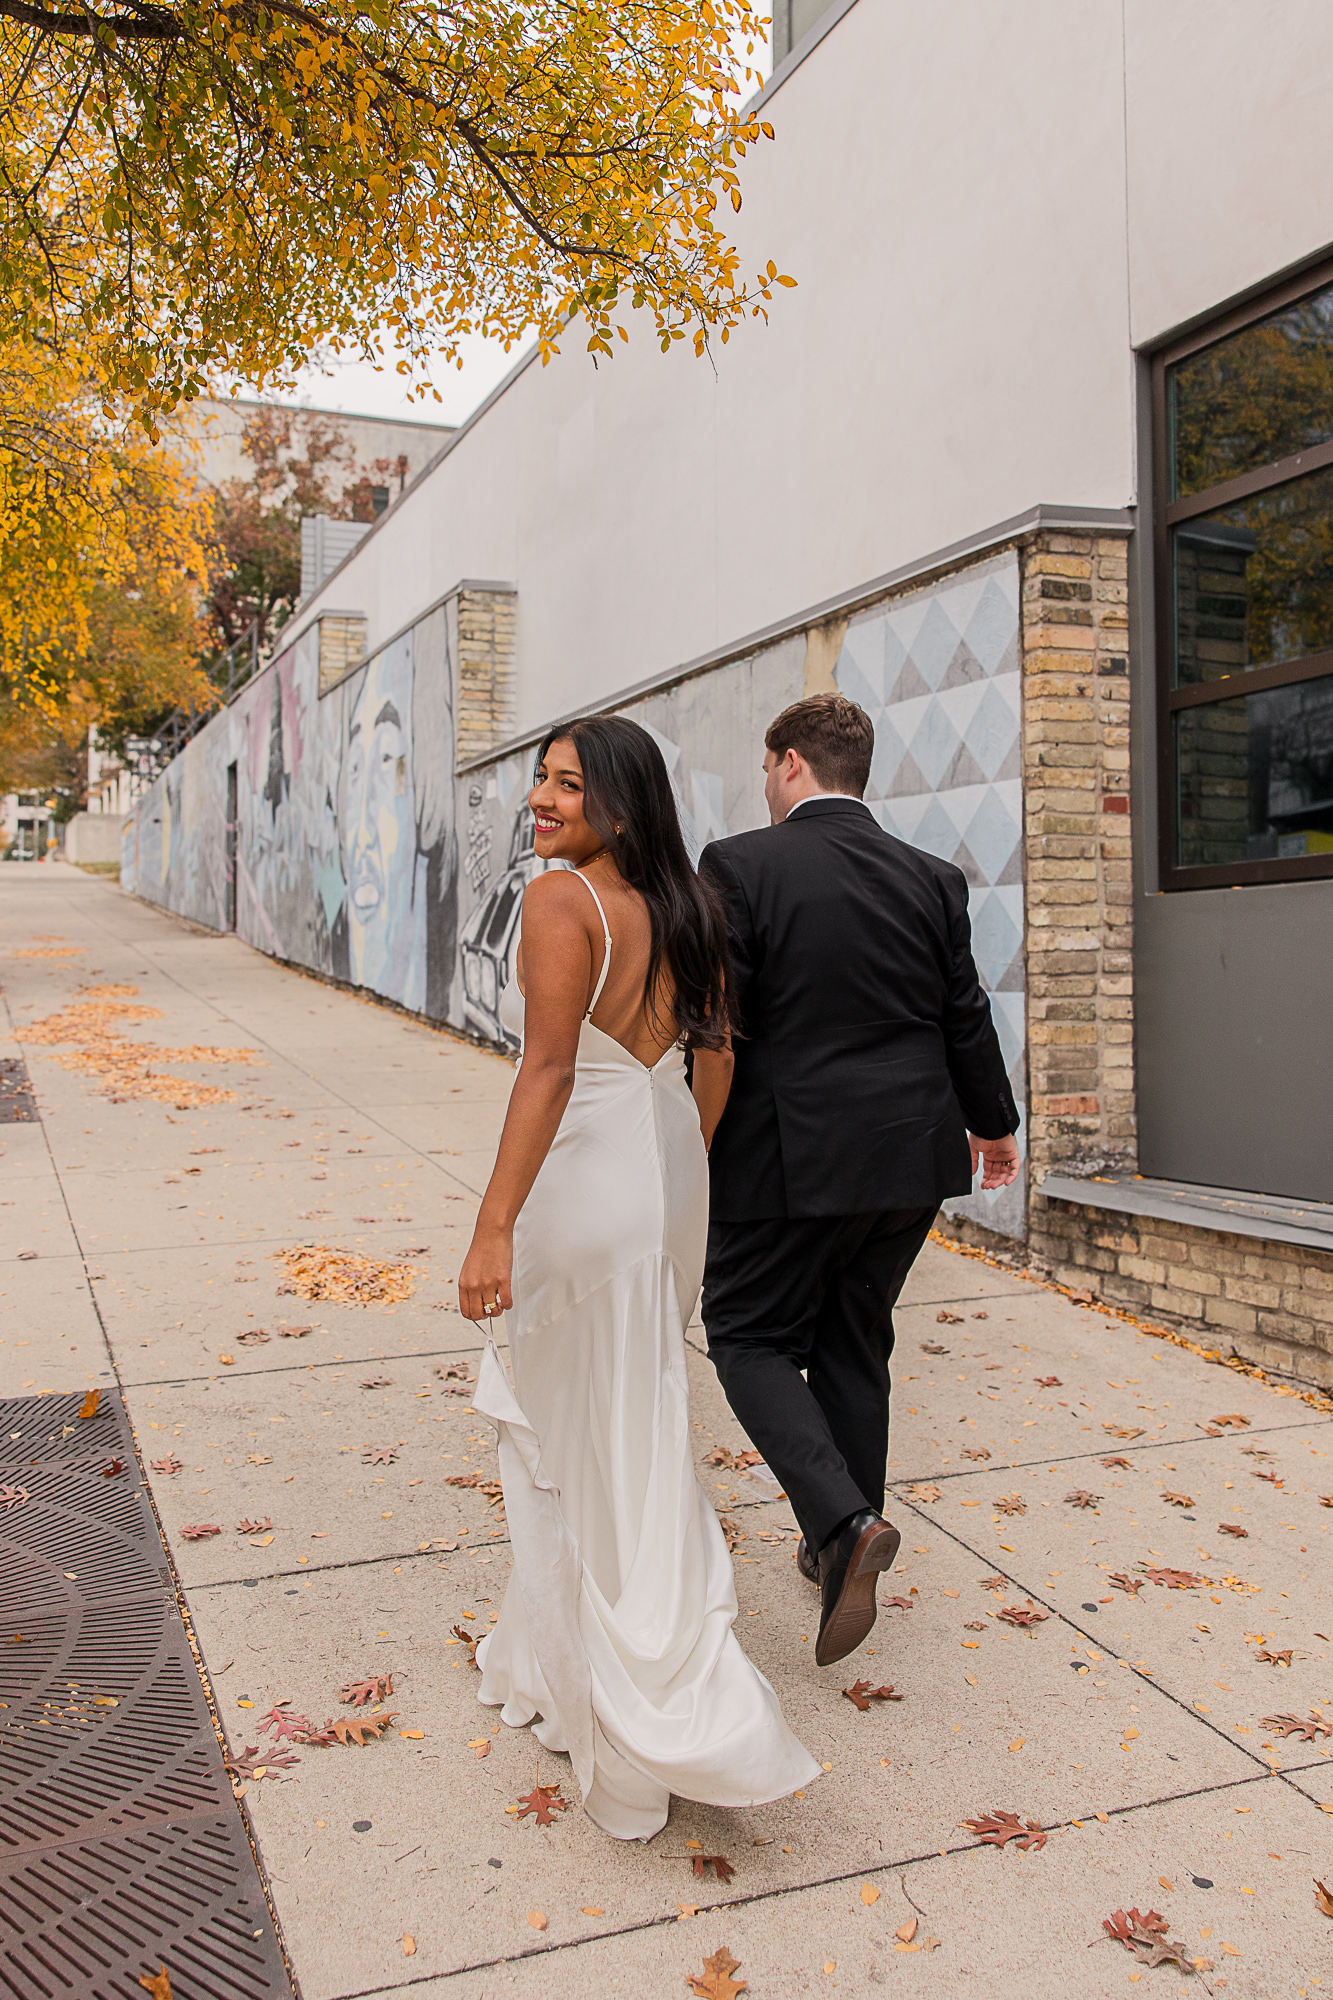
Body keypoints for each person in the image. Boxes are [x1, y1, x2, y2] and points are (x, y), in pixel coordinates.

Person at [457, 716, 820, 1841]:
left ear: (619, 801)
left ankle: (634, 1703)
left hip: (582, 1187)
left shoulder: (562, 903)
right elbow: (713, 1061)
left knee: (568, 1436)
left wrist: (492, 1222)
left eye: (566, 784)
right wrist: (677, 1167)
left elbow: (551, 1065)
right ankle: (566, 1653)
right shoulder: (693, 909)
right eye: (541, 778)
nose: (540, 797)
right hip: (662, 1185)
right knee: (633, 1422)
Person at [698, 693, 1020, 1670]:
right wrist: (993, 1124)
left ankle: (839, 1522)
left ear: (788, 760)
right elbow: (960, 1011)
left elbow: (720, 1025)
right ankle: (836, 1544)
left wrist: (693, 1140)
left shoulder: (738, 864)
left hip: (788, 1153)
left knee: (746, 1332)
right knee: (852, 1336)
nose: (763, 782)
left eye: (765, 766)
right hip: (911, 1156)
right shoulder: (931, 877)